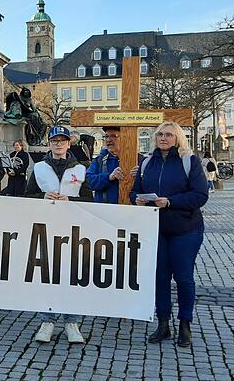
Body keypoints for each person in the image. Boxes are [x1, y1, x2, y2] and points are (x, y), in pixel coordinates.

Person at [131, 121, 208, 348]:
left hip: (185, 229)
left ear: (178, 139)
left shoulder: (189, 161)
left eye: (168, 135)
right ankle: (163, 323)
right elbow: (135, 190)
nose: (163, 138)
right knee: (160, 278)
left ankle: (185, 324)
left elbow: (200, 195)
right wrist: (137, 198)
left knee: (184, 278)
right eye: (160, 135)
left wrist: (171, 202)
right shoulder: (147, 163)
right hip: (156, 230)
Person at [25, 125, 93, 344]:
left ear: (68, 143)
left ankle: (71, 321)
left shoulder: (81, 168)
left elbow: (90, 200)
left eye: (62, 140)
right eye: (54, 140)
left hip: (73, 229)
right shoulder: (39, 168)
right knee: (47, 275)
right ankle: (47, 320)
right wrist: (42, 197)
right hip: (46, 228)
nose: (58, 144)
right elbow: (27, 197)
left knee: (71, 275)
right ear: (49, 143)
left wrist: (71, 201)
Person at [86, 126, 139, 204]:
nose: (108, 140)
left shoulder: (139, 160)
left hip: (132, 210)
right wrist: (109, 177)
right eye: (106, 136)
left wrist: (140, 176)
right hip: (105, 210)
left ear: (125, 138)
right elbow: (89, 182)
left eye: (114, 136)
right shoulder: (99, 160)